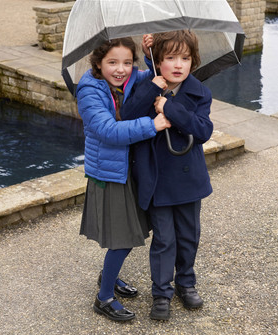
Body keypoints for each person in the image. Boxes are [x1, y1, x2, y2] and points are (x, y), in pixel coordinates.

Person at [76, 37, 171, 322]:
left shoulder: (130, 79)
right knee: (123, 238)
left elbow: (154, 74)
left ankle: (109, 275)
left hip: (129, 170)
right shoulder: (89, 89)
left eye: (127, 63)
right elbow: (108, 131)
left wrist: (149, 54)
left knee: (134, 230)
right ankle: (103, 298)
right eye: (112, 63)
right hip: (108, 173)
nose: (121, 69)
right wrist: (151, 125)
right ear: (98, 63)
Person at [121, 31, 214, 321]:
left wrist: (169, 107)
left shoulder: (200, 92)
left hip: (188, 181)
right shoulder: (149, 87)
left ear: (193, 61)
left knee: (189, 236)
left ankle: (186, 283)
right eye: (170, 58)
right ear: (157, 61)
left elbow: (202, 131)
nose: (178, 65)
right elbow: (126, 116)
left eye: (185, 58)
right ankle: (161, 292)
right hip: (157, 180)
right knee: (164, 240)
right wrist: (152, 91)